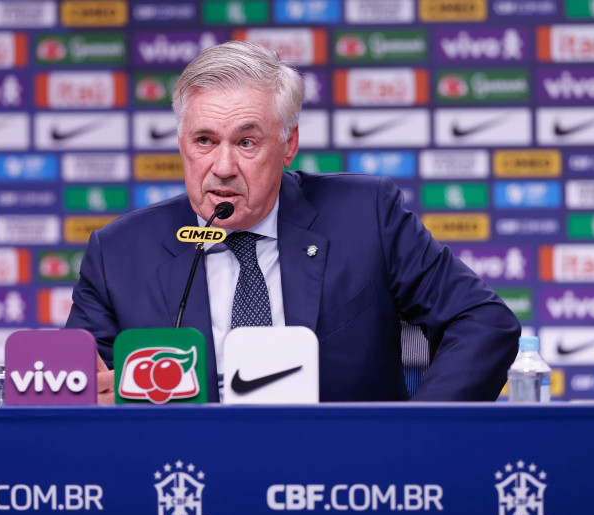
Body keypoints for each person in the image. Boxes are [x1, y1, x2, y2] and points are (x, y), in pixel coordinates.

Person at [66, 41, 521, 404]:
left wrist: (415, 437)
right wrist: (96, 402)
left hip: (346, 483)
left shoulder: (366, 217)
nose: (222, 166)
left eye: (247, 142)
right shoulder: (120, 254)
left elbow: (482, 321)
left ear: (288, 145)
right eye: (204, 140)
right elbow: (78, 383)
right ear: (182, 143)